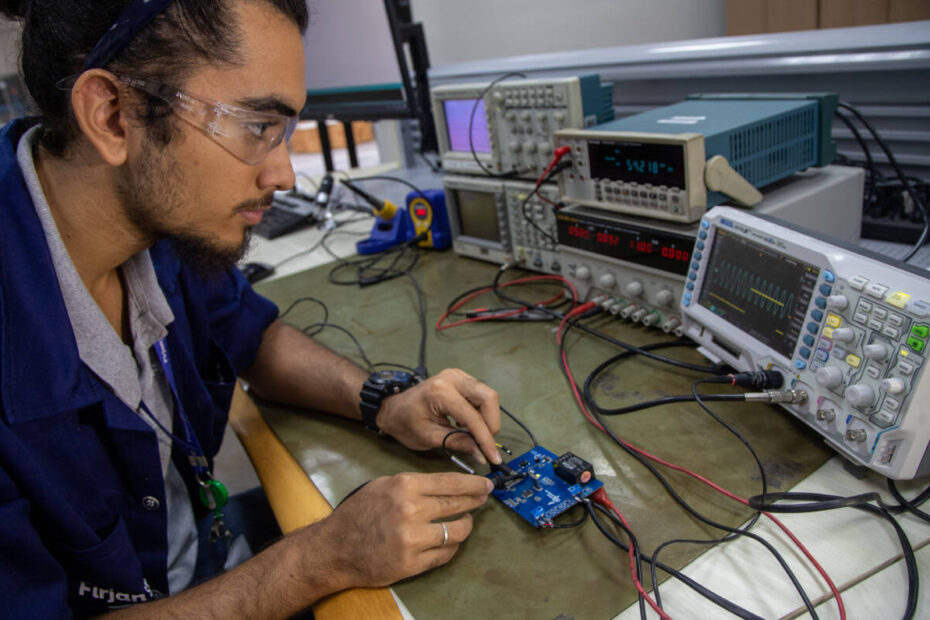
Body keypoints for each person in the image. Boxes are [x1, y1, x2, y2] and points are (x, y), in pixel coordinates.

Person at [0, 0, 504, 617]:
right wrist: (322, 557)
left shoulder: (162, 219)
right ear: (111, 115)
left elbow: (252, 336)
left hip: (201, 557)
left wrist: (382, 402)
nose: (286, 174)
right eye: (256, 126)